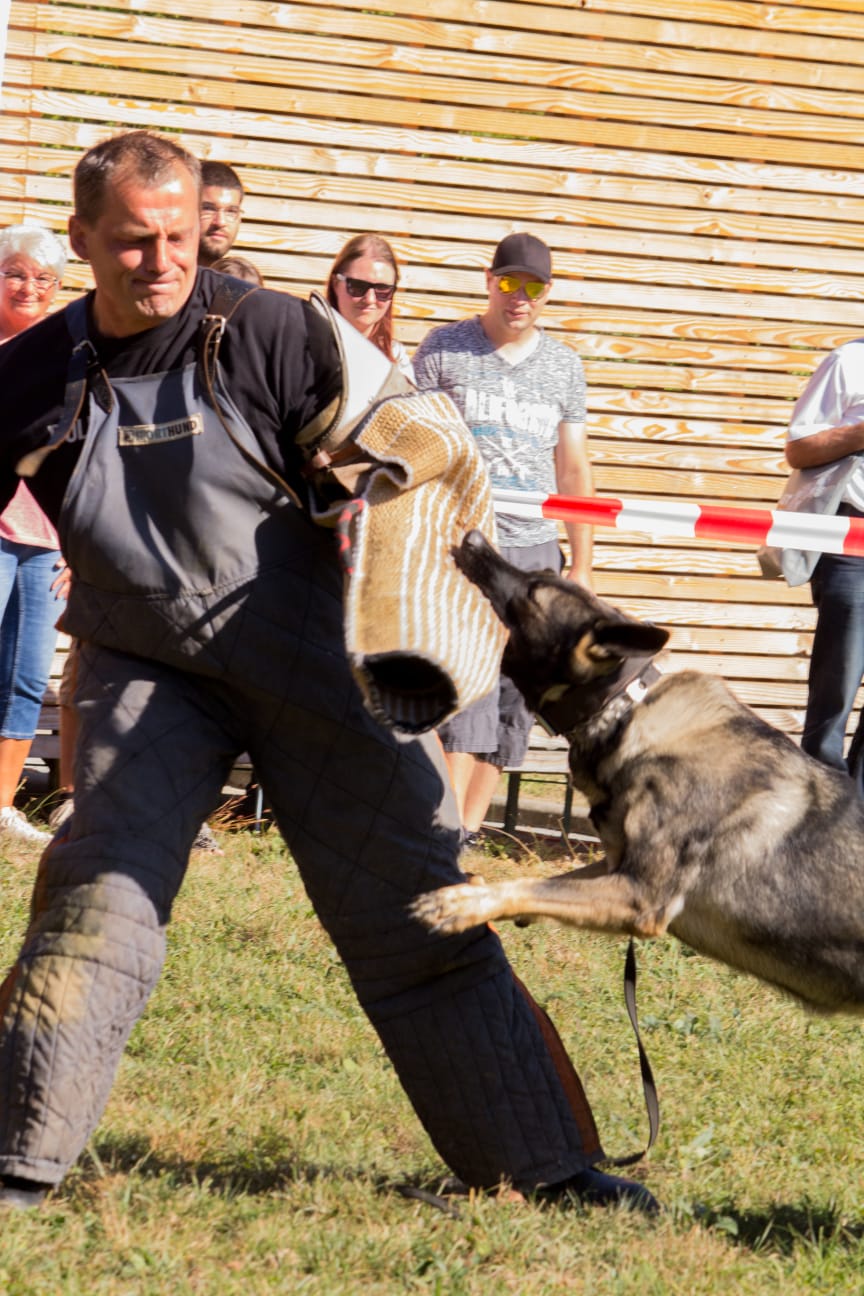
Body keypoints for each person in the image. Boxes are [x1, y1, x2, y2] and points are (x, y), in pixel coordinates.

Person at [0, 132, 655, 1214]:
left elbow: (425, 443)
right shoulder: (32, 377)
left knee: (420, 906)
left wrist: (399, 536)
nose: (160, 262)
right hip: (142, 666)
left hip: (309, 657)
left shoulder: (271, 332)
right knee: (97, 898)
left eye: (175, 236)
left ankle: (542, 1168)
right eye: (130, 243)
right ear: (81, 242)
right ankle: (16, 1160)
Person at [413, 233, 594, 846]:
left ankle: (467, 828)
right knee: (470, 688)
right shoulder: (445, 347)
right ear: (489, 280)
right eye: (510, 282)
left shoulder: (564, 366)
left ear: (547, 293)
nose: (520, 297)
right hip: (467, 547)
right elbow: (423, 445)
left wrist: (584, 563)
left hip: (538, 550)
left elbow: (573, 470)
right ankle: (443, 833)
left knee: (515, 698)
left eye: (534, 286)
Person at [0, 223, 69, 846]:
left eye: (43, 278)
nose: (29, 286)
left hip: (48, 540)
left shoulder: (68, 359)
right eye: (16, 272)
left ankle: (1, 806)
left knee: (26, 675)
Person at [785, 344, 864, 795]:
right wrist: (859, 434)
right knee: (838, 685)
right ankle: (818, 809)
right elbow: (798, 448)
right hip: (853, 536)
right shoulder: (848, 362)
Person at [325, 233, 415, 381]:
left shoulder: (397, 358)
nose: (370, 299)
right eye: (357, 286)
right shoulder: (307, 346)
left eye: (382, 290)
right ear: (335, 283)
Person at [197, 161, 244, 267]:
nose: (220, 222)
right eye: (208, 209)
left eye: (231, 212)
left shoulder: (242, 281)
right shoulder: (159, 277)